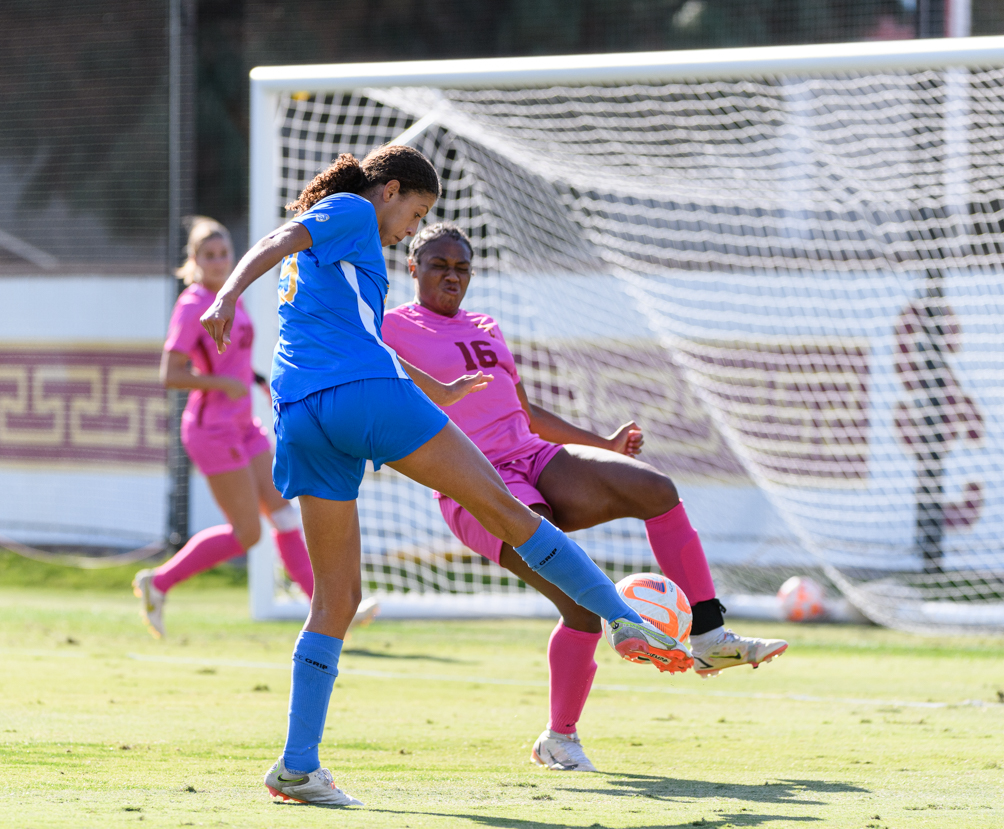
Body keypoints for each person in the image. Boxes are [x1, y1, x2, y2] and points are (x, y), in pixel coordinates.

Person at [198, 146, 689, 807]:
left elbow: (361, 337)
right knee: (511, 513)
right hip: (362, 399)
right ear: (390, 189)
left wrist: (439, 387)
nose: (409, 227)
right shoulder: (349, 209)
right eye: (417, 212)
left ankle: (297, 765)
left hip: (300, 414)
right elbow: (284, 234)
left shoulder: (339, 257)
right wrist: (228, 289)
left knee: (336, 599)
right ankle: (623, 617)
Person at [381, 222, 789, 773]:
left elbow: (523, 414)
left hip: (532, 457)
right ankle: (560, 737)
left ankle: (710, 633)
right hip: (473, 483)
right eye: (438, 265)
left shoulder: (486, 326)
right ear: (413, 268)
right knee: (577, 603)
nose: (451, 275)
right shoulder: (390, 328)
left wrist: (603, 444)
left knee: (655, 489)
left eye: (461, 267)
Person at [132, 218, 378, 638]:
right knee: (247, 534)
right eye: (208, 255)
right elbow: (170, 374)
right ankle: (158, 581)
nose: (217, 261)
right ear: (193, 261)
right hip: (212, 430)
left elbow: (233, 358)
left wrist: (256, 380)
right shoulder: (192, 305)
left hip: (244, 425)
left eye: (223, 253)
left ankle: (332, 616)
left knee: (285, 517)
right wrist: (223, 383)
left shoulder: (232, 297)